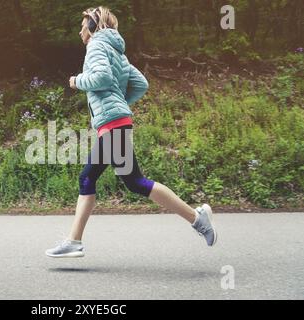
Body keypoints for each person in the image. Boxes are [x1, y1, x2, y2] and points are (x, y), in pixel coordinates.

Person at [46, 6, 217, 258]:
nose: (80, 29)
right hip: (116, 122)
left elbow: (101, 78)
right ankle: (74, 241)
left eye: (83, 25)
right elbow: (140, 84)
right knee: (92, 178)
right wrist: (120, 103)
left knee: (133, 181)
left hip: (113, 124)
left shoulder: (95, 46)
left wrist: (77, 81)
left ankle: (196, 218)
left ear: (93, 27)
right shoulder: (117, 51)